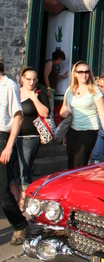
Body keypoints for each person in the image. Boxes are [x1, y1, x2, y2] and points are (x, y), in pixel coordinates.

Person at [9, 66, 49, 211]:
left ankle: (24, 201)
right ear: (22, 79)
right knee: (9, 169)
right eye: (28, 79)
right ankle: (15, 197)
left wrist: (33, 98)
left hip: (30, 137)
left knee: (24, 169)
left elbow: (45, 113)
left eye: (34, 79)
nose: (31, 82)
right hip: (12, 136)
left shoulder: (39, 94)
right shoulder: (15, 92)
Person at [59, 61, 104, 169]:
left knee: (79, 163)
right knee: (71, 163)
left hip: (89, 130)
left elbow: (103, 114)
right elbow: (63, 109)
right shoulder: (70, 90)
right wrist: (63, 113)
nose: (84, 74)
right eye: (81, 72)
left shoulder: (94, 90)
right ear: (75, 74)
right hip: (72, 130)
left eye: (87, 72)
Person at [0, 60, 29, 246]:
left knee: (3, 192)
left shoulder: (9, 85)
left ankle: (20, 225)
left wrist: (9, 146)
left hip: (2, 139)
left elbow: (18, 117)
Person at [41, 49, 68, 115]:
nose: (60, 62)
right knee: (50, 107)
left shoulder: (54, 66)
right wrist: (48, 89)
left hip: (51, 89)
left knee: (51, 107)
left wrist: (62, 76)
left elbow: (53, 77)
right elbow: (45, 76)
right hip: (47, 88)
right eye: (60, 60)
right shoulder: (50, 63)